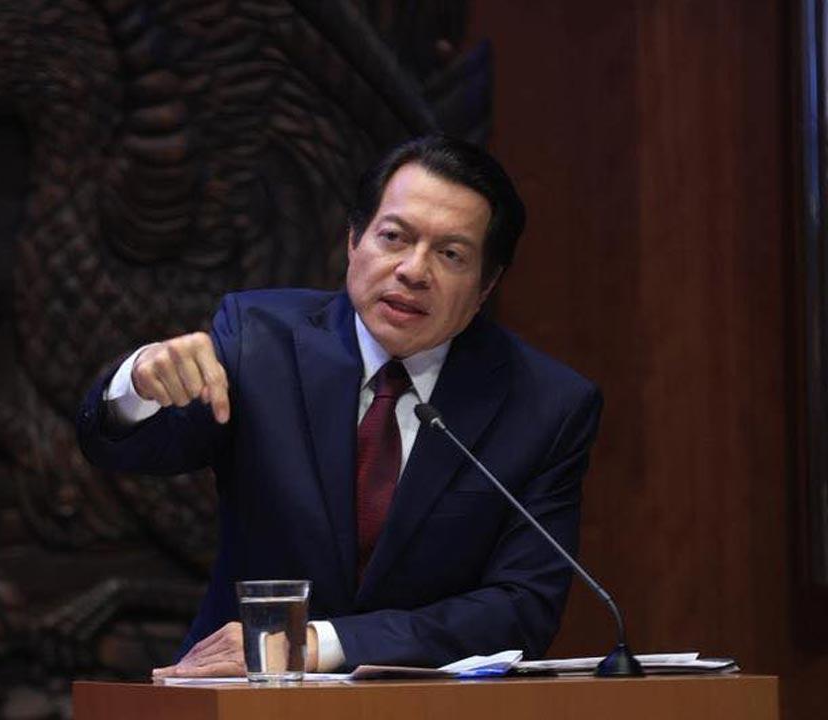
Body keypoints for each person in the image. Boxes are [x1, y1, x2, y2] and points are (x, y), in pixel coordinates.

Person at [75, 135, 602, 676]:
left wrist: (319, 643)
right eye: (394, 237)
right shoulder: (259, 342)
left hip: (430, 707)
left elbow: (522, 606)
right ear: (354, 240)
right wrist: (139, 384)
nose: (413, 270)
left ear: (486, 285)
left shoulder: (545, 406)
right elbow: (128, 449)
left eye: (450, 254)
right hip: (246, 695)